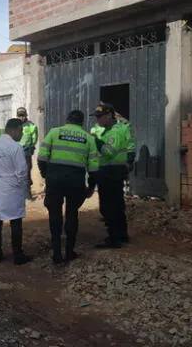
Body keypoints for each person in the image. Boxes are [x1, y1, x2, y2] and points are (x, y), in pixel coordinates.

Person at [38, 110, 99, 264]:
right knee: (72, 213)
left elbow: (42, 157)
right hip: (76, 180)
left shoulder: (54, 132)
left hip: (55, 178)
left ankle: (57, 253)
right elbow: (93, 167)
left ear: (67, 120)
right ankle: (70, 251)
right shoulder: (88, 138)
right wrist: (91, 187)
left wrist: (46, 175)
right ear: (82, 123)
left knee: (55, 214)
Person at [89, 103, 134, 249]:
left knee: (108, 206)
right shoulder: (110, 130)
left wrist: (95, 140)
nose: (98, 120)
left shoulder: (114, 132)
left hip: (110, 171)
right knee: (117, 204)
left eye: (100, 117)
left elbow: (109, 152)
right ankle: (122, 235)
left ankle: (113, 238)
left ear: (109, 116)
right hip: (114, 170)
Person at [0, 118, 32, 265]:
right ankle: (18, 255)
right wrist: (21, 186)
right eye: (20, 131)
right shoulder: (16, 147)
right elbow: (22, 171)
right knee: (16, 221)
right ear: (13, 130)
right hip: (12, 188)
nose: (21, 134)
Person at [16, 107, 38, 200]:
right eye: (19, 116)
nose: (21, 117)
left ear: (26, 115)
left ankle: (27, 195)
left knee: (26, 172)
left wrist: (31, 146)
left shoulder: (31, 126)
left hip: (26, 151)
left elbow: (34, 138)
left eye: (23, 115)